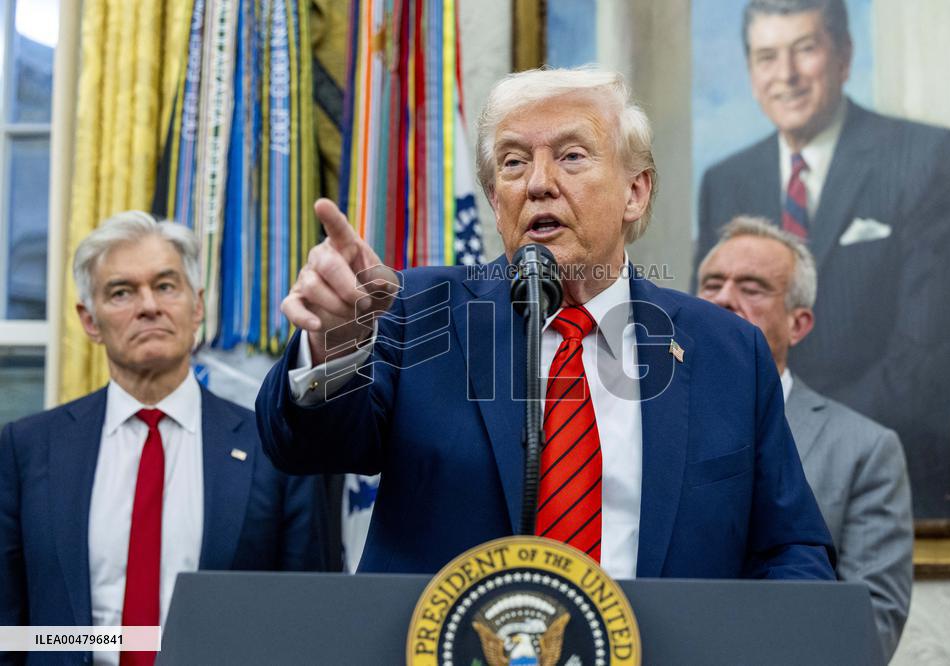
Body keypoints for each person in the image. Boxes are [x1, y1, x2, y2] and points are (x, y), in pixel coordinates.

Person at [256, 67, 835, 581]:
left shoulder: (728, 353)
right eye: (512, 162)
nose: (537, 182)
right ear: (494, 197)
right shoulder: (415, 311)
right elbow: (305, 447)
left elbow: (791, 549)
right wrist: (336, 344)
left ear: (635, 191)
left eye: (572, 156)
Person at [0, 212, 327, 665]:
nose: (149, 305)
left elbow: (306, 621)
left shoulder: (274, 447)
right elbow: (9, 628)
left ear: (197, 307)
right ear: (89, 321)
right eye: (121, 292)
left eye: (166, 286)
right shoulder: (28, 448)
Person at [695, 0, 950, 516]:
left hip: (891, 487)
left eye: (805, 50)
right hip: (745, 494)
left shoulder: (928, 159)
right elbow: (714, 348)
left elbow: (929, 365)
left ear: (845, 57)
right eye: (766, 57)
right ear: (750, 70)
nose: (786, 76)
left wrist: (795, 439)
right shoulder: (726, 181)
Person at [697, 216, 912, 663]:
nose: (723, 299)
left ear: (799, 324)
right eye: (712, 284)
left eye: (751, 289)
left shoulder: (864, 449)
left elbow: (870, 624)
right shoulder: (645, 422)